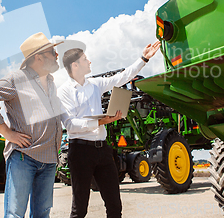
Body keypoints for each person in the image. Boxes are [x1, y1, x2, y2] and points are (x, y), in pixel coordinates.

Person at [58, 41, 161, 218]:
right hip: (80, 152)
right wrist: (100, 122)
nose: (89, 62)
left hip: (103, 151)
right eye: (85, 59)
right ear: (75, 65)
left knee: (114, 206)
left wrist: (144, 58)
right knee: (79, 209)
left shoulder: (95, 84)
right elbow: (70, 124)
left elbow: (123, 77)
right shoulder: (64, 92)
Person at [0, 32, 63, 218]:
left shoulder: (50, 82)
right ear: (38, 57)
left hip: (49, 159)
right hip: (25, 157)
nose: (57, 55)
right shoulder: (17, 79)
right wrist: (8, 134)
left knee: (42, 214)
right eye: (52, 52)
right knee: (15, 213)